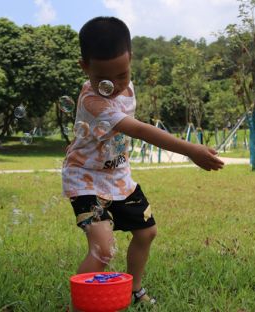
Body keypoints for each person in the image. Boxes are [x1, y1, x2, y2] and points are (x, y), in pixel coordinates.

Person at [62, 16, 224, 310]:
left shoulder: (127, 85)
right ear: (84, 68)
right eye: (104, 80)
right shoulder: (92, 101)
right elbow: (138, 129)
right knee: (102, 249)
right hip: (85, 178)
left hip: (117, 174)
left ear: (131, 59)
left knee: (147, 232)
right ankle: (82, 306)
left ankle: (133, 290)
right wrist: (190, 150)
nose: (116, 86)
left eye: (123, 75)